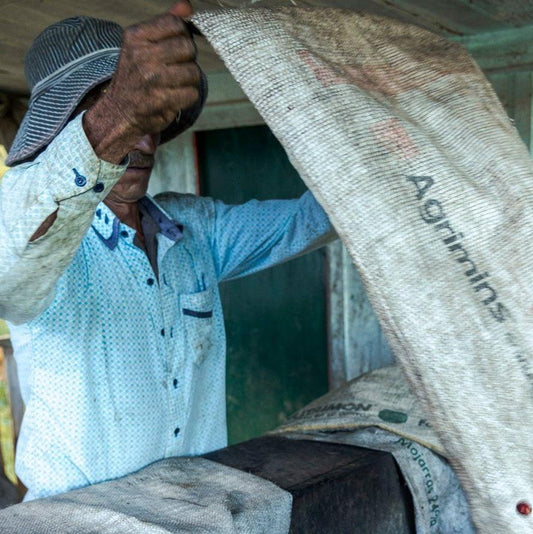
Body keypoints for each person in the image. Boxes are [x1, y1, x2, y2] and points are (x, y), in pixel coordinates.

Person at [0, 1, 335, 500]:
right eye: (117, 112)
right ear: (60, 130)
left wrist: (385, 157)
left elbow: (311, 218)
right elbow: (10, 262)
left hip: (194, 514)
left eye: (150, 114)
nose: (145, 138)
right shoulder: (38, 242)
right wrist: (115, 117)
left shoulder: (195, 228)